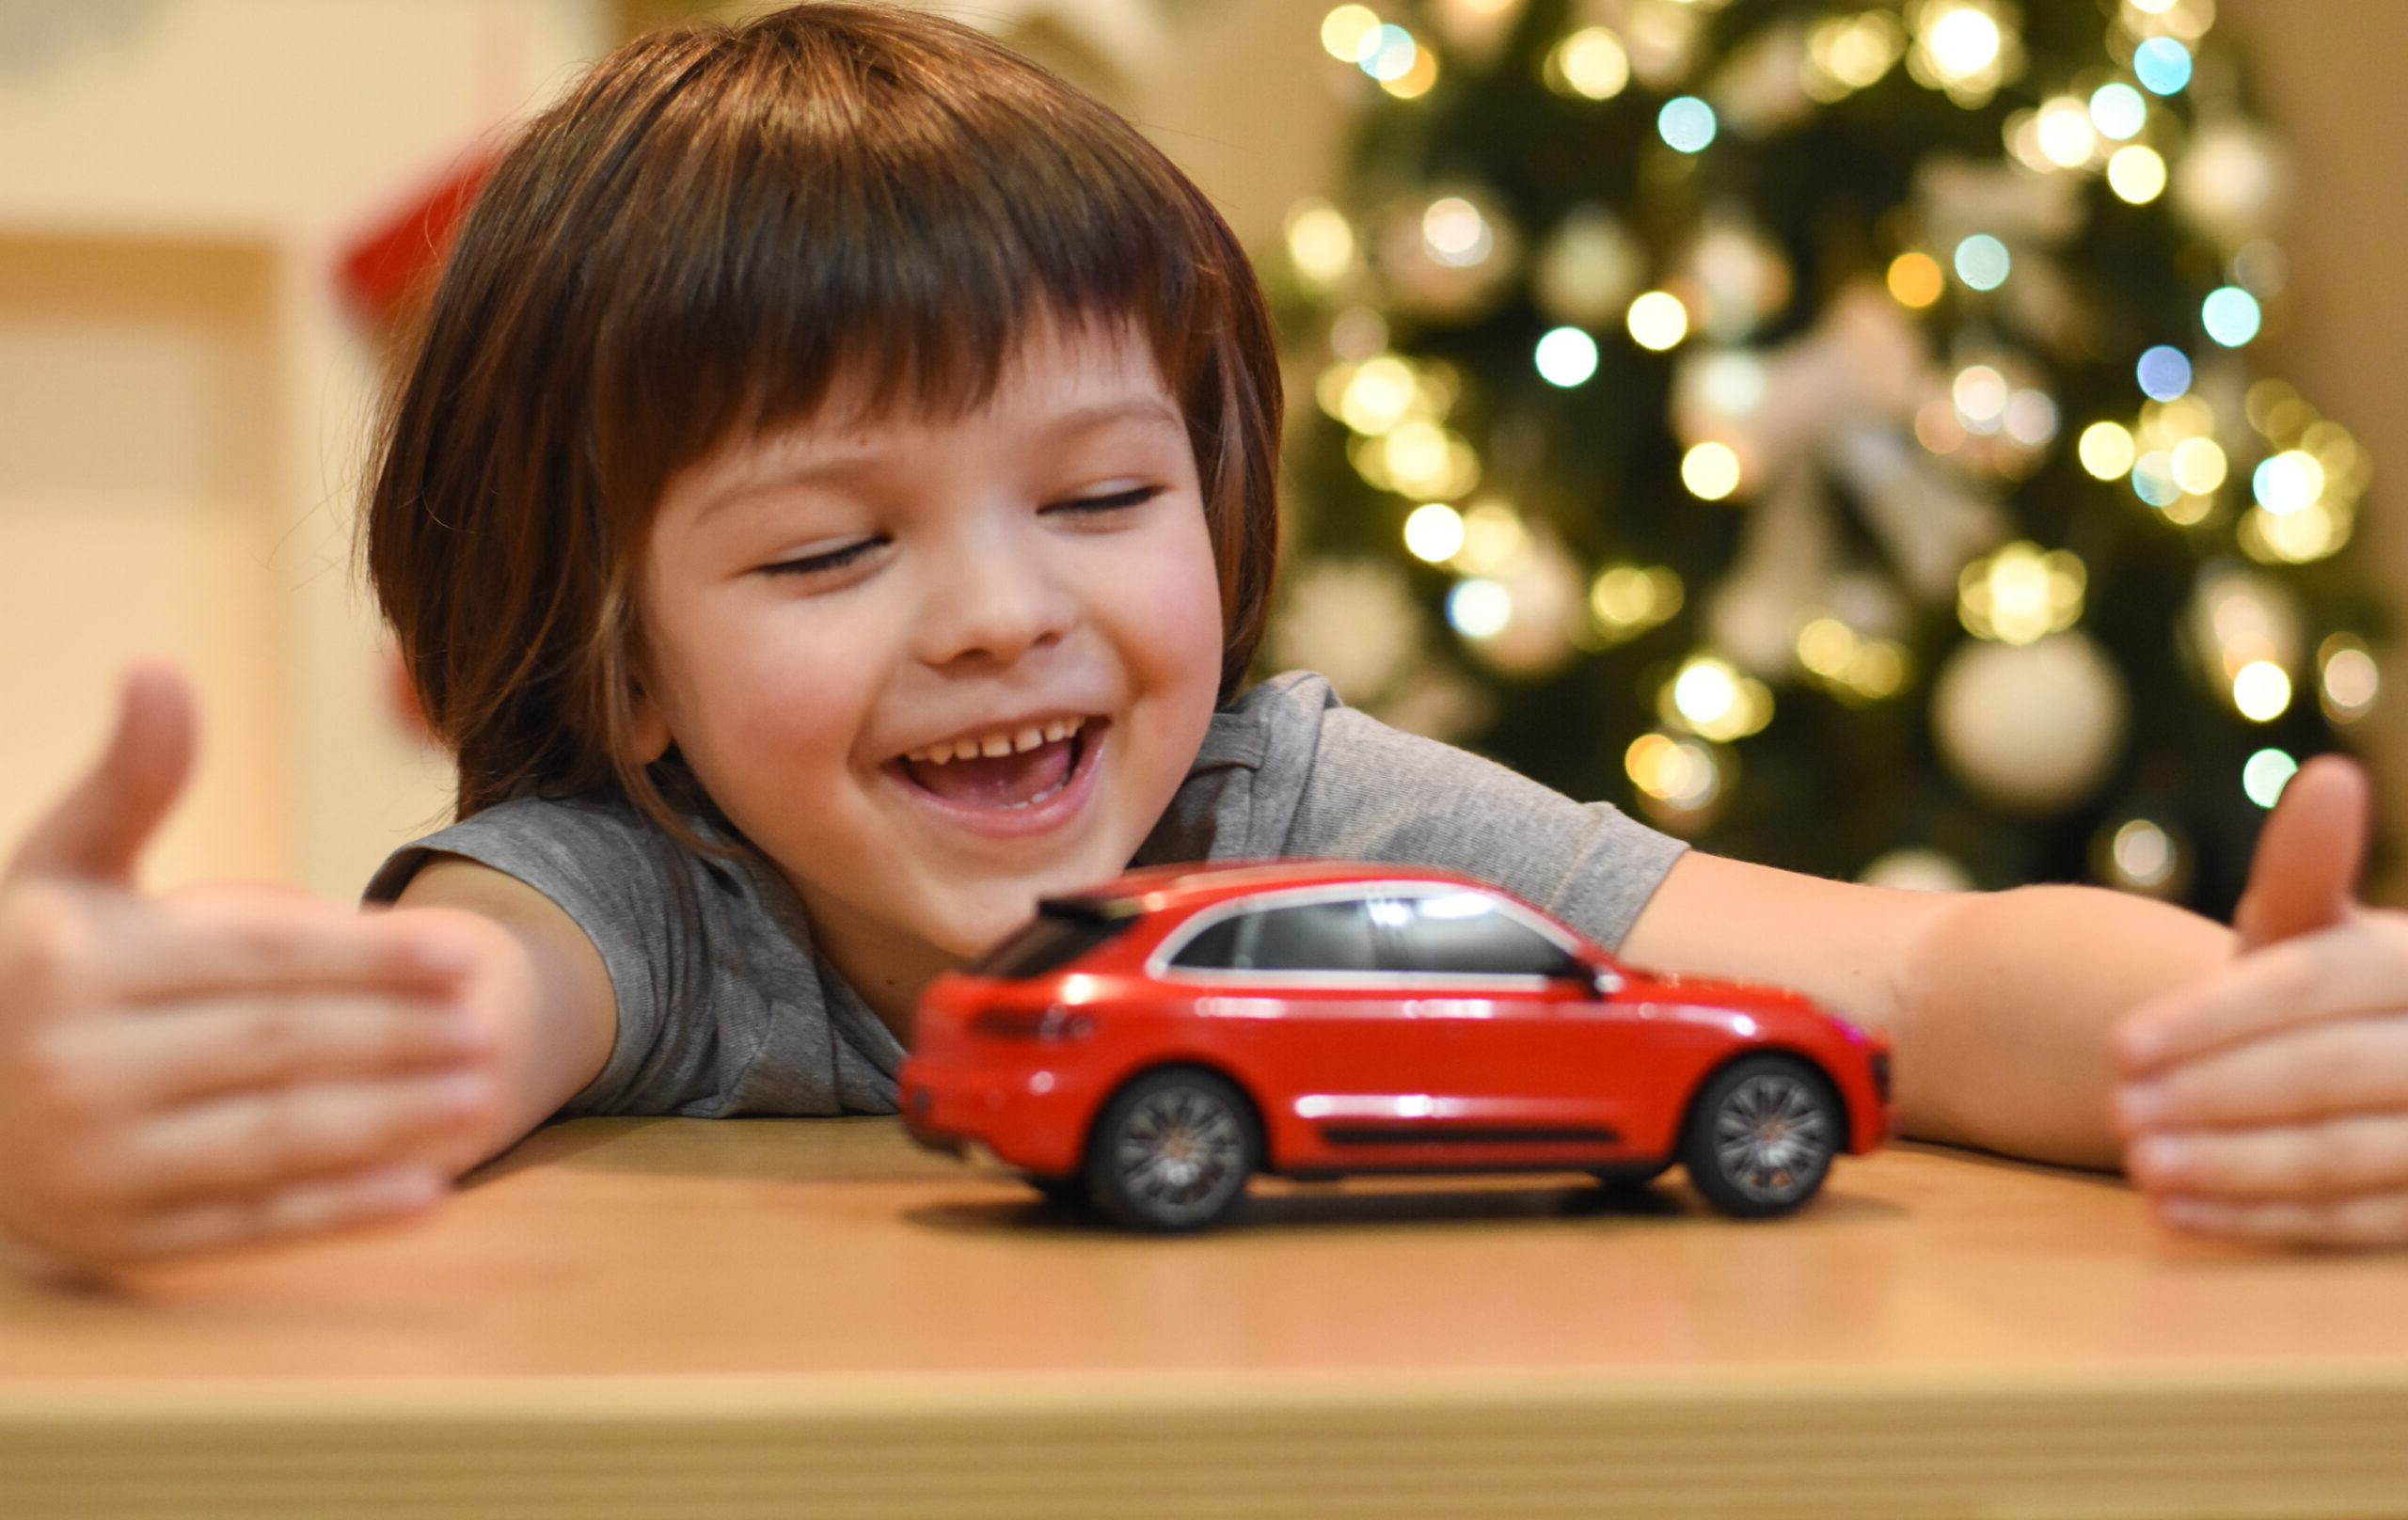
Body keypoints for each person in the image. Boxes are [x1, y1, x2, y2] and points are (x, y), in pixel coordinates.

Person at [0, 4, 2402, 1273]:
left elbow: (1917, 981)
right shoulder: (643, 891)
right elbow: (419, 1032)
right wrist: (103, 1074)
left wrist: (2231, 1042)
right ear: (625, 671)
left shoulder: (1291, 813)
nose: (1004, 611)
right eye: (830, 552)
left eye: (1102, 495)